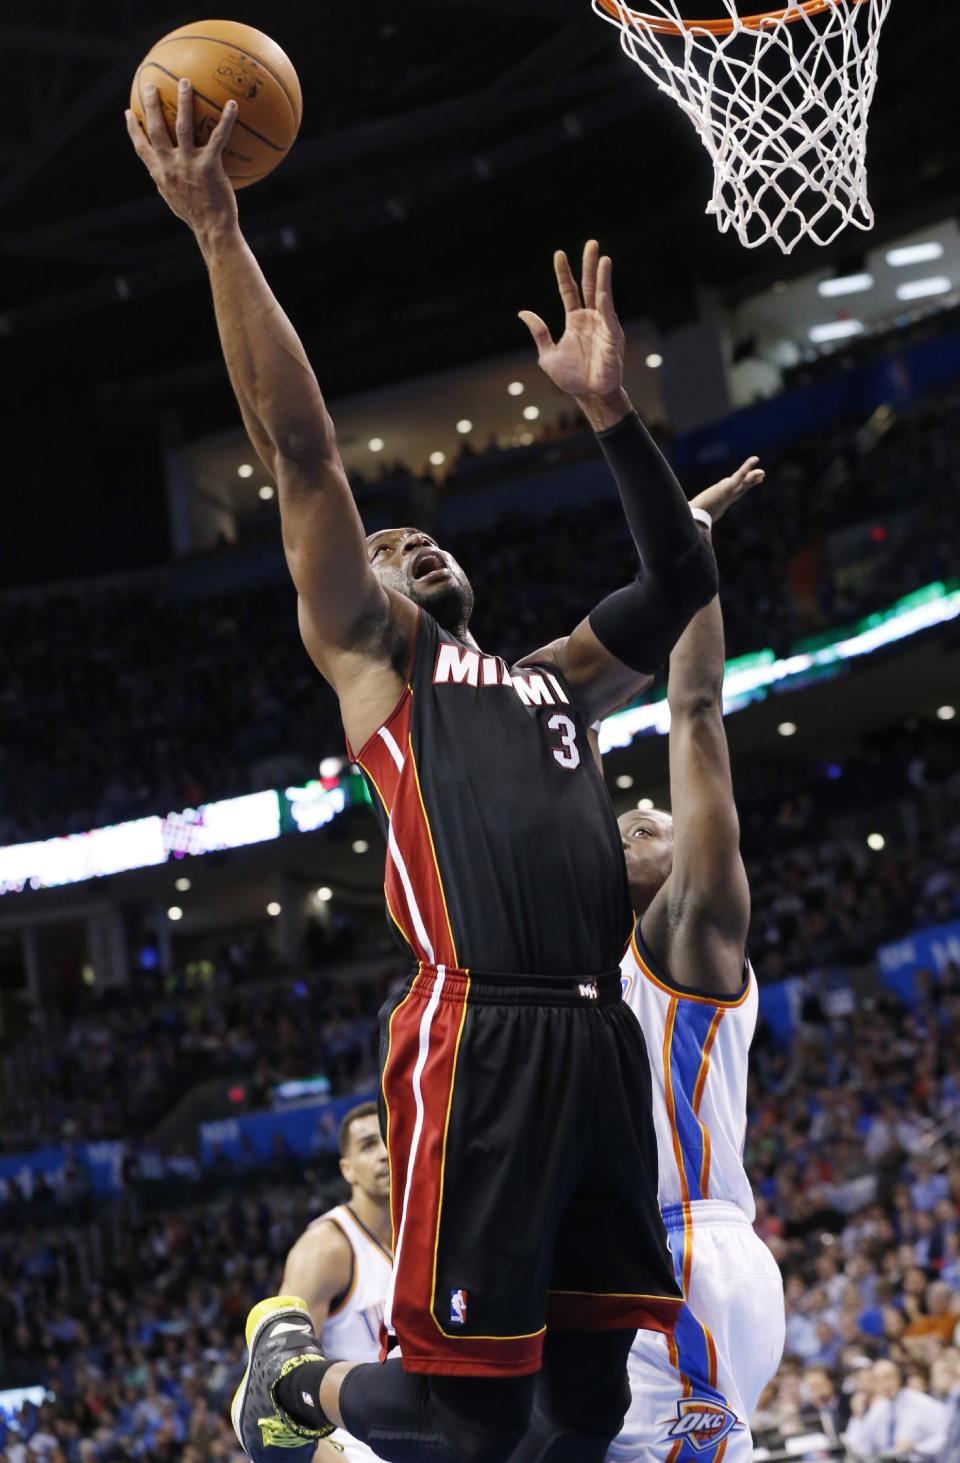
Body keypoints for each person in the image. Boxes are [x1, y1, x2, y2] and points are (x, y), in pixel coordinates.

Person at [127, 83, 718, 1463]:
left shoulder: (552, 673)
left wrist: (612, 414)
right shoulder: (379, 667)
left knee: (585, 1407)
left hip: (597, 1034)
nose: (413, 545)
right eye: (389, 545)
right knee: (472, 1415)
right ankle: (292, 1384)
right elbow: (301, 448)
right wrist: (218, 230)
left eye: (423, 539)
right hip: (484, 1034)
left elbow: (681, 575)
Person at [605, 461, 785, 1463]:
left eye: (660, 819)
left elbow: (697, 714)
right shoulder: (606, 959)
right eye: (628, 818)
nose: (644, 811)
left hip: (689, 1249)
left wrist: (685, 558)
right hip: (656, 1257)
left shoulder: (694, 933)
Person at [281, 1104, 392, 1463]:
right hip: (354, 1450)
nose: (385, 1153)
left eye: (389, 1138)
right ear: (347, 1169)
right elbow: (277, 1376)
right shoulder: (326, 1248)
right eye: (368, 1145)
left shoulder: (427, 1236)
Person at [845, 1358, 950, 1458]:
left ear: (900, 1377)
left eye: (888, 1377)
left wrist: (916, 1447)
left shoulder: (921, 1403)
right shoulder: (882, 1408)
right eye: (877, 1380)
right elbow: (859, 1446)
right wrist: (858, 1417)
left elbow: (946, 1438)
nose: (884, 1384)